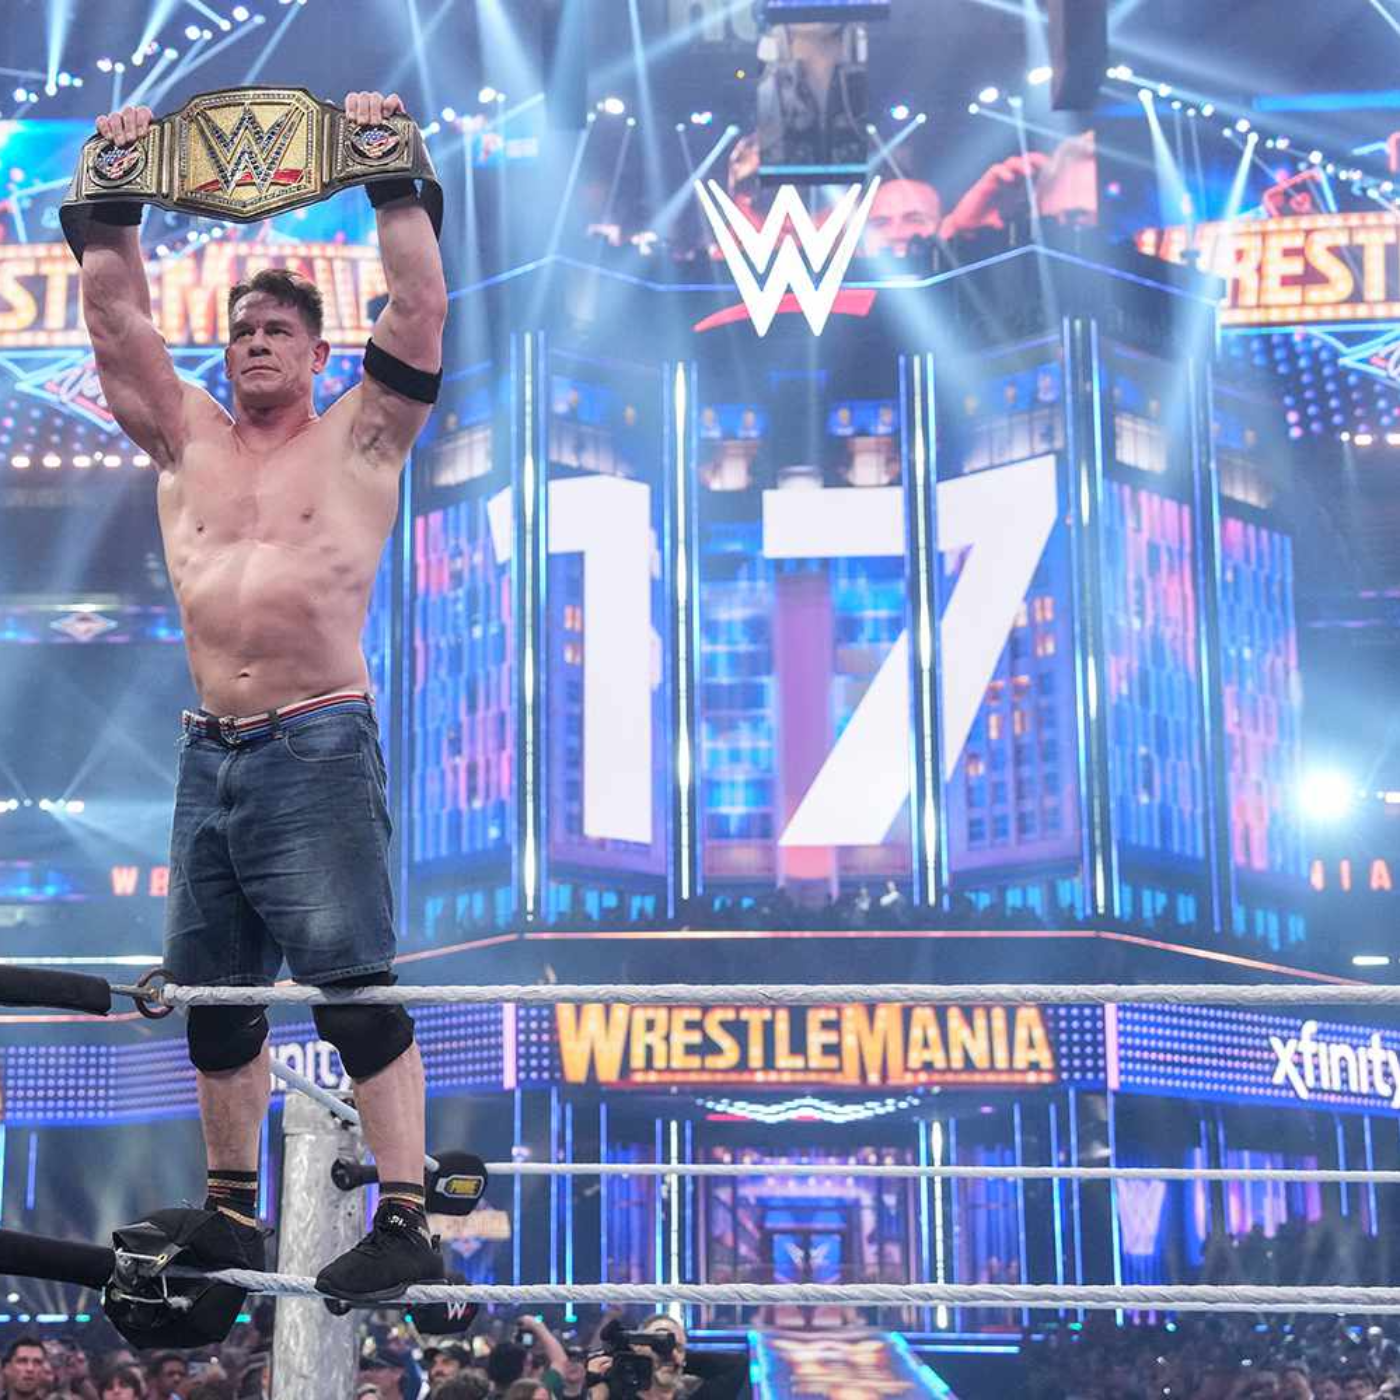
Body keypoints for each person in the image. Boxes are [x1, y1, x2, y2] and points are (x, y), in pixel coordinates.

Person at [80, 90, 448, 1302]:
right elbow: (116, 318)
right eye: (242, 328)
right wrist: (111, 194)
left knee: (352, 989)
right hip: (211, 752)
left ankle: (405, 1214)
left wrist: (389, 172)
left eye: (280, 329)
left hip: (316, 736)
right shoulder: (184, 436)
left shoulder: (360, 439)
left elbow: (419, 305)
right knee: (216, 1000)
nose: (255, 342)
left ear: (318, 353)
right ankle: (235, 1208)